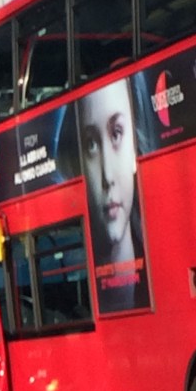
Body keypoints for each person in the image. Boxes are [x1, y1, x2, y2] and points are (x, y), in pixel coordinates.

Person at [78, 77, 150, 313]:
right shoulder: (79, 305)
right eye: (91, 145)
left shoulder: (159, 269)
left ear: (134, 151)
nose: (107, 175)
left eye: (117, 134)